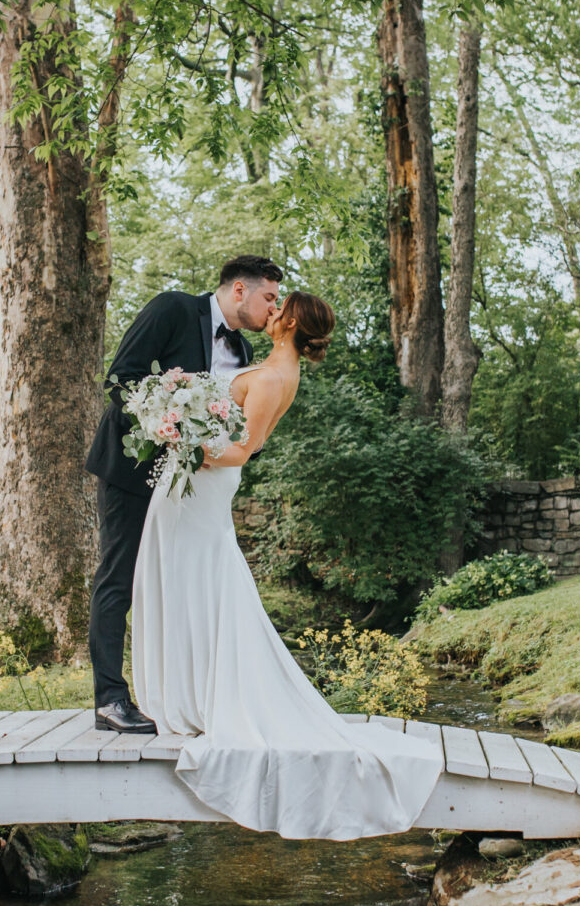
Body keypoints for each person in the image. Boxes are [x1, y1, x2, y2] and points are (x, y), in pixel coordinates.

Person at [131, 291, 444, 840]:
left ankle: (189, 697)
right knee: (193, 579)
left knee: (195, 579)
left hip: (202, 482)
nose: (270, 310)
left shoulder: (275, 376)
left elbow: (245, 448)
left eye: (279, 306)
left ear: (292, 321)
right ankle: (186, 690)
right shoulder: (279, 368)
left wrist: (181, 435)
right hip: (199, 483)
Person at [84, 255, 284, 733]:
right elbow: (121, 380)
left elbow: (236, 426)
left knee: (183, 587)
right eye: (269, 298)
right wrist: (166, 426)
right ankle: (110, 700)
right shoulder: (172, 309)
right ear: (240, 290)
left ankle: (185, 696)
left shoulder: (242, 353)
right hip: (134, 472)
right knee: (120, 578)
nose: (273, 309)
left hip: (192, 492)